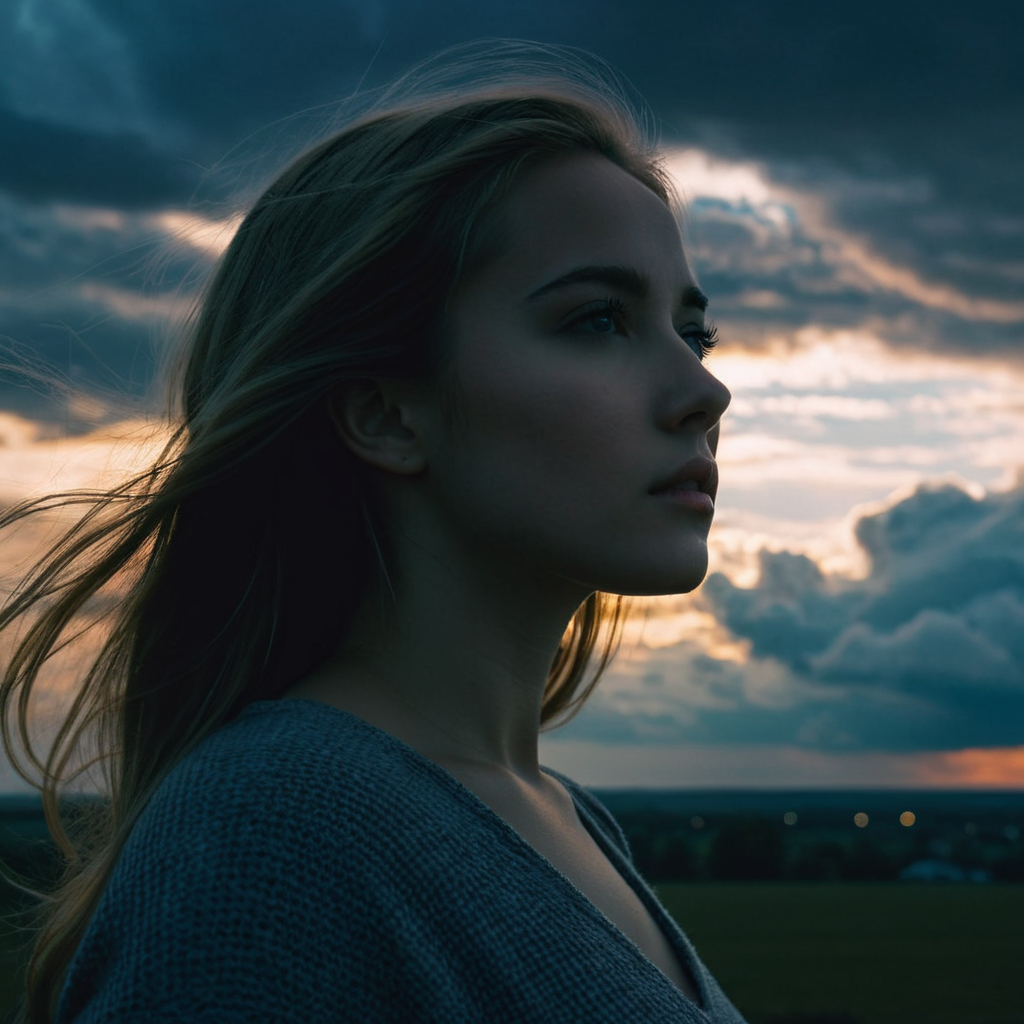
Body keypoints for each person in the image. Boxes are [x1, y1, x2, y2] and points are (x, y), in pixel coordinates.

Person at [0, 41, 741, 1023]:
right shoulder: (266, 835)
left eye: (692, 333)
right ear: (386, 412)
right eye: (597, 320)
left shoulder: (566, 817)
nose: (703, 390)